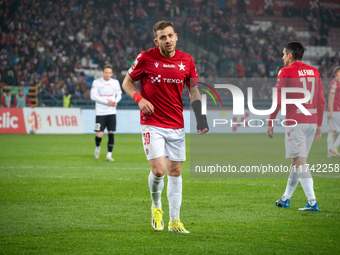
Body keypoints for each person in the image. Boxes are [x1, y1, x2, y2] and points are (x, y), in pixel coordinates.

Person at [122, 20, 208, 234]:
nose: (167, 40)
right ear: (156, 40)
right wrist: (139, 99)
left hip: (176, 123)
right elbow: (126, 82)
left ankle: (175, 221)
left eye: (170, 36)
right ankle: (156, 206)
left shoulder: (186, 60)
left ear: (176, 36)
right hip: (152, 122)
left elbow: (194, 91)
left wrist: (200, 118)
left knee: (176, 172)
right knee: (159, 171)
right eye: (163, 37)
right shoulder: (146, 57)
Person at [267, 41, 325, 212]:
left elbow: (278, 100)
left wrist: (271, 121)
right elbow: (321, 100)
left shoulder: (285, 71)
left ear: (290, 55)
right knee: (296, 161)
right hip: (312, 121)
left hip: (296, 122)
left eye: (284, 54)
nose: (282, 57)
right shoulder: (314, 71)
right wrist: (319, 125)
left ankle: (312, 202)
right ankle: (286, 198)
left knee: (300, 162)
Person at [90, 64, 122, 161]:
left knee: (111, 132)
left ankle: (109, 155)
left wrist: (116, 101)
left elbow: (119, 94)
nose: (107, 74)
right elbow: (93, 96)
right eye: (106, 72)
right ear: (103, 73)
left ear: (112, 74)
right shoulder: (96, 82)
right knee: (99, 134)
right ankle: (98, 147)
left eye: (109, 73)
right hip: (100, 112)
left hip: (111, 112)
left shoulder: (115, 82)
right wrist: (107, 102)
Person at [326, 66, 340, 157]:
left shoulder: (337, 83)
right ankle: (334, 147)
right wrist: (330, 111)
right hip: (335, 110)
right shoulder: (335, 83)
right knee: (332, 131)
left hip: (334, 110)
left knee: (332, 131)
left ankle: (330, 152)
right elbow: (331, 96)